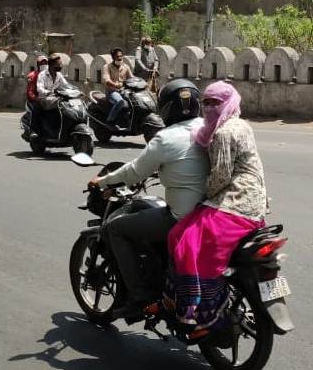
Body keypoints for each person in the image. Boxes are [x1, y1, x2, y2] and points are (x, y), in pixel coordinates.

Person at [87, 79, 209, 317]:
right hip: (214, 213)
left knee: (115, 228)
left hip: (181, 218)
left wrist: (101, 182)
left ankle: (138, 296)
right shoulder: (211, 128)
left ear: (165, 108)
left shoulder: (166, 138)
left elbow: (134, 172)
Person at [166, 81, 268, 339]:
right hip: (255, 202)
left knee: (182, 238)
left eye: (216, 103)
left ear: (229, 102)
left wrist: (203, 195)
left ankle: (197, 308)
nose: (210, 107)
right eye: (207, 102)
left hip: (235, 202)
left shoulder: (223, 133)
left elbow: (221, 175)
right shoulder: (242, 124)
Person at [102, 48, 133, 129]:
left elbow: (131, 78)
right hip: (111, 92)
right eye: (117, 56)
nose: (120, 58)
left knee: (134, 101)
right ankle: (110, 121)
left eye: (121, 56)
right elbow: (107, 80)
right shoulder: (107, 67)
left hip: (124, 91)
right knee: (120, 101)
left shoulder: (126, 67)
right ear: (113, 57)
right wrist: (115, 85)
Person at [24, 56, 48, 139]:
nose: (44, 64)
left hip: (48, 98)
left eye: (45, 63)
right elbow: (30, 92)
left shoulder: (50, 74)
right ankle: (32, 130)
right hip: (35, 99)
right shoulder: (33, 75)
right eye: (42, 63)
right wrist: (37, 99)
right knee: (37, 108)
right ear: (38, 65)